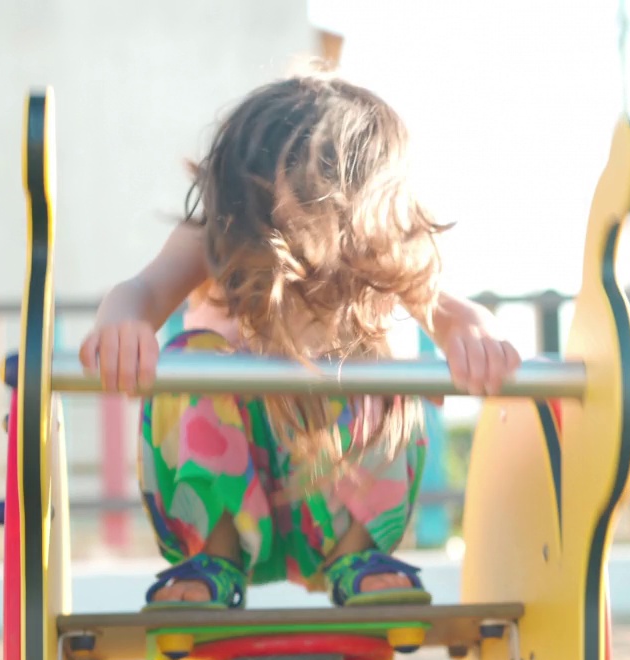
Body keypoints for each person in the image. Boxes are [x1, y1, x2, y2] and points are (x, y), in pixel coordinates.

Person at [78, 67, 521, 611]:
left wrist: (474, 332)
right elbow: (141, 291)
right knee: (190, 359)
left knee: (379, 362)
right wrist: (124, 320)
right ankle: (212, 557)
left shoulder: (374, 244)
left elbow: (450, 311)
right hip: (229, 482)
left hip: (333, 488)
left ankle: (357, 554)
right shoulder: (215, 235)